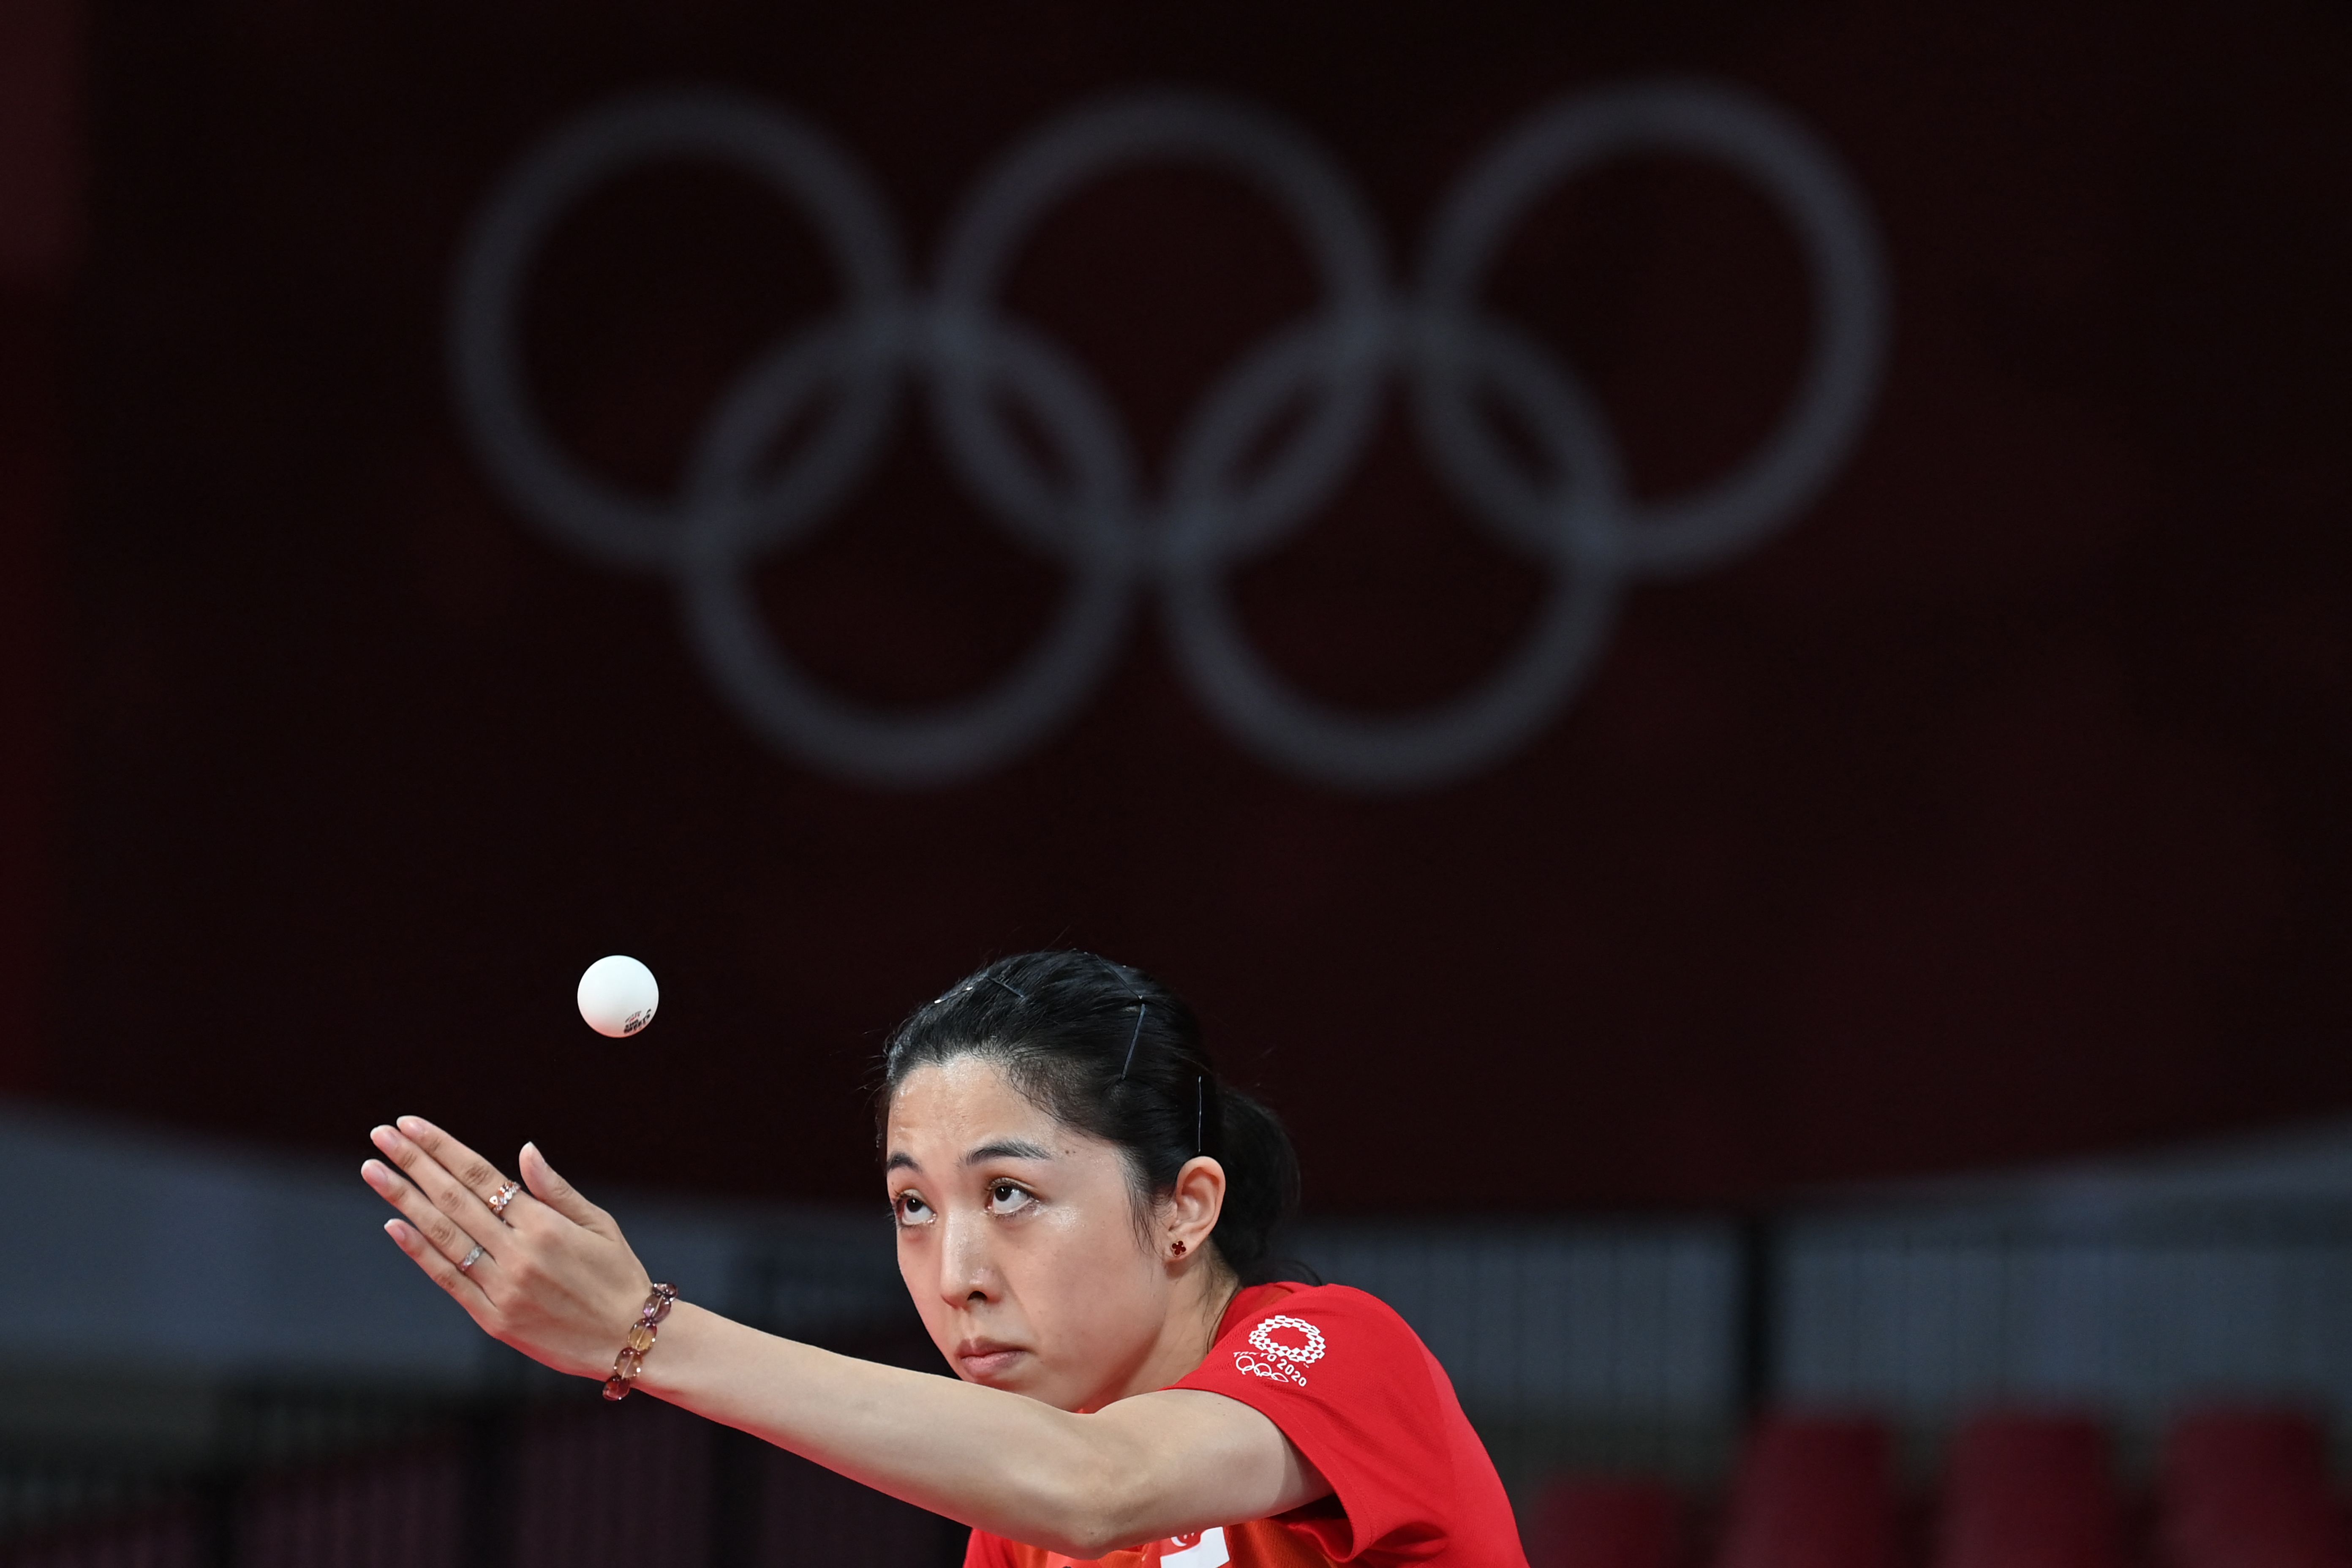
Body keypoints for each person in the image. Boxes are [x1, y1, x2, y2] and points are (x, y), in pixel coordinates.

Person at [362, 951, 1529, 1567]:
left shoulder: (1336, 1356)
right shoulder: (1014, 1516)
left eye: (1010, 1194)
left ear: (1185, 1208)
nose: (955, 1270)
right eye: (913, 1207)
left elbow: (1100, 1489)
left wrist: (649, 1333)